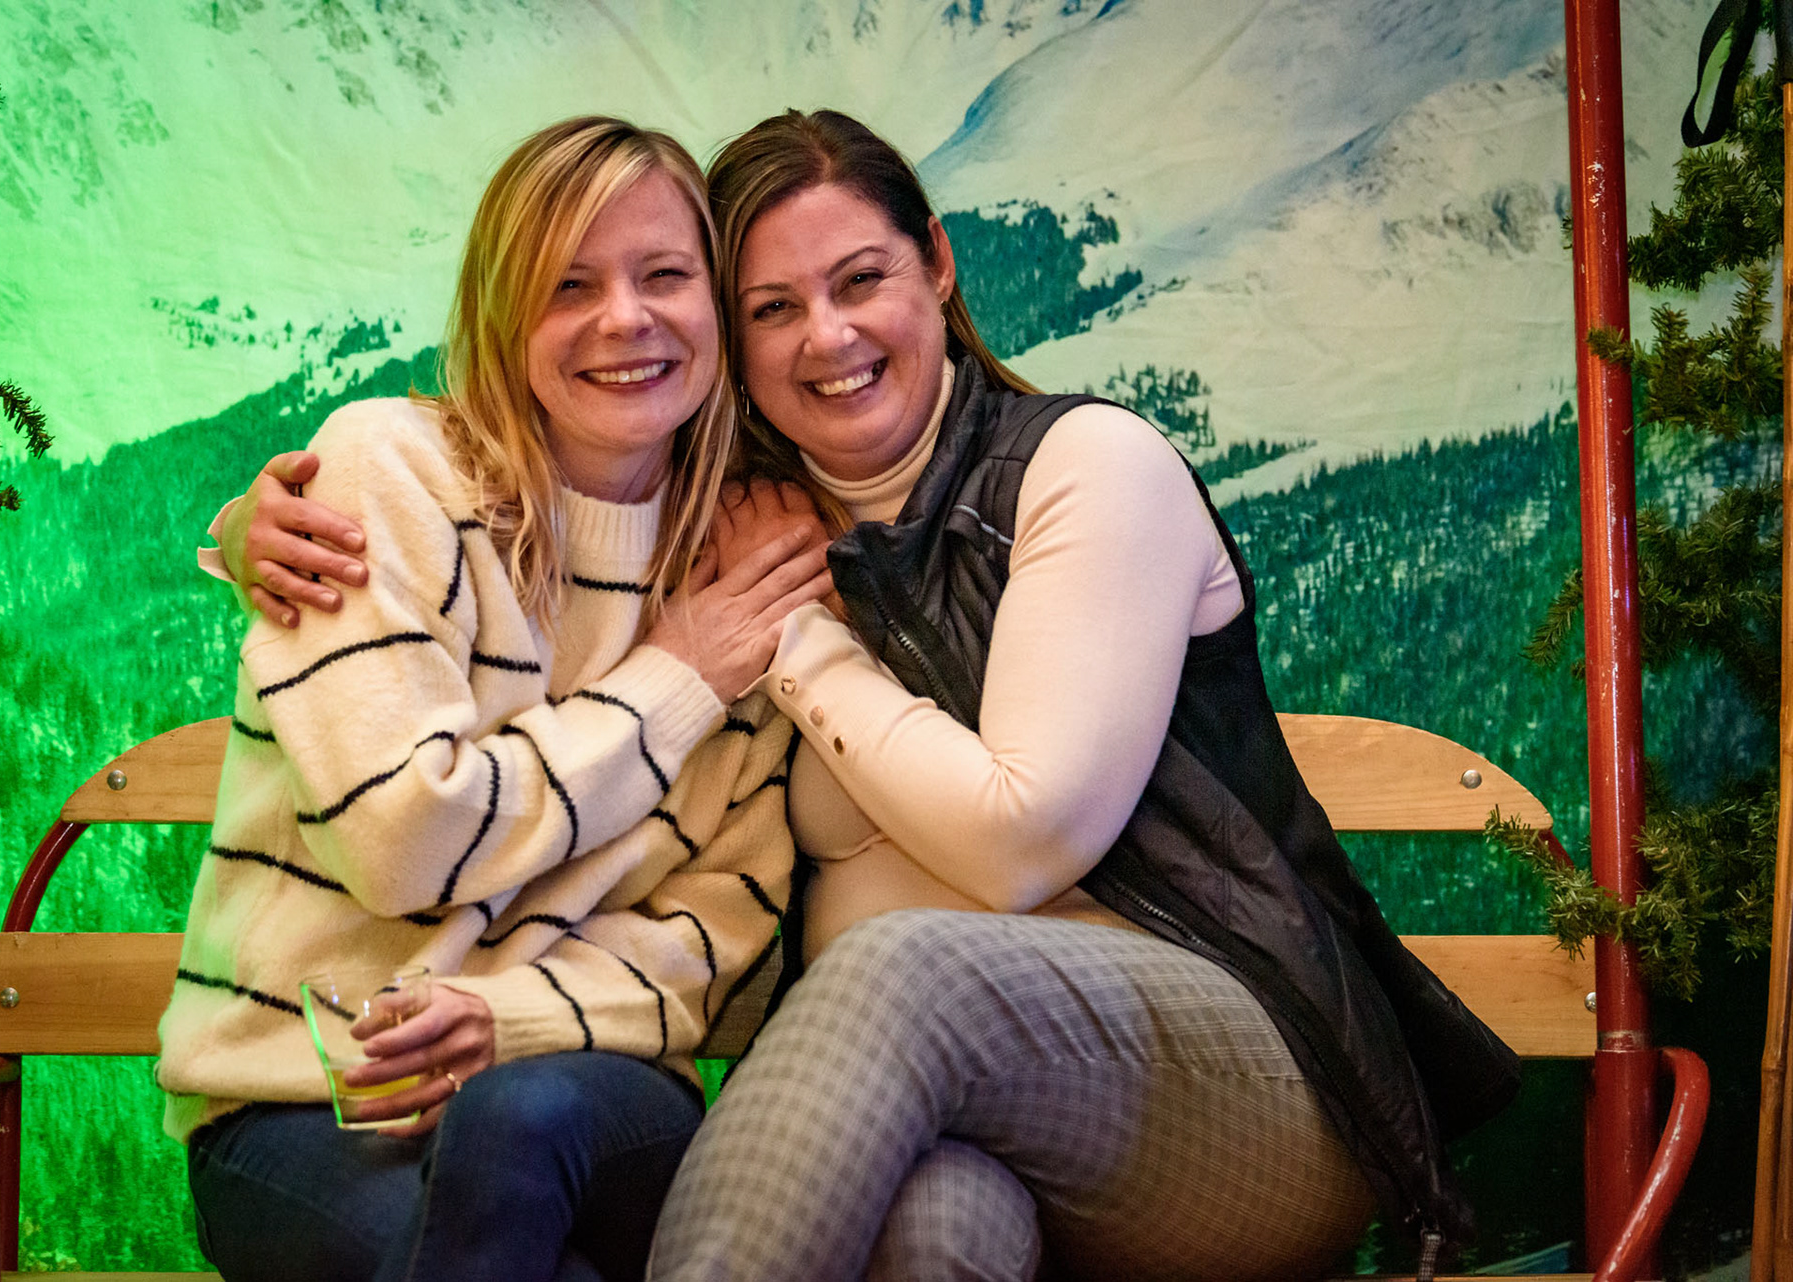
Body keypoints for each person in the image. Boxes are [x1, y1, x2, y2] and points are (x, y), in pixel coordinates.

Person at [222, 111, 1521, 1282]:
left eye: (860, 281)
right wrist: (258, 529)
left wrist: (786, 634)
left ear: (937, 267)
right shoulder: (732, 519)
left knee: (904, 966)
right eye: (773, 306)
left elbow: (1022, 843)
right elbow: (515, 541)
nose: (828, 337)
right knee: (932, 1232)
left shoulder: (1081, 469)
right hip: (970, 1131)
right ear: (733, 339)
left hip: (1239, 1090)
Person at [155, 115, 831, 1282]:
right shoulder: (391, 475)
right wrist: (677, 678)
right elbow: (405, 840)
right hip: (310, 1102)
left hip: (593, 1090)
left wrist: (509, 1020)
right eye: (569, 285)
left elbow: (713, 928)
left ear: (718, 308)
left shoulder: (751, 554)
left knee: (518, 1115)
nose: (626, 317)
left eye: (666, 275)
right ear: (501, 317)